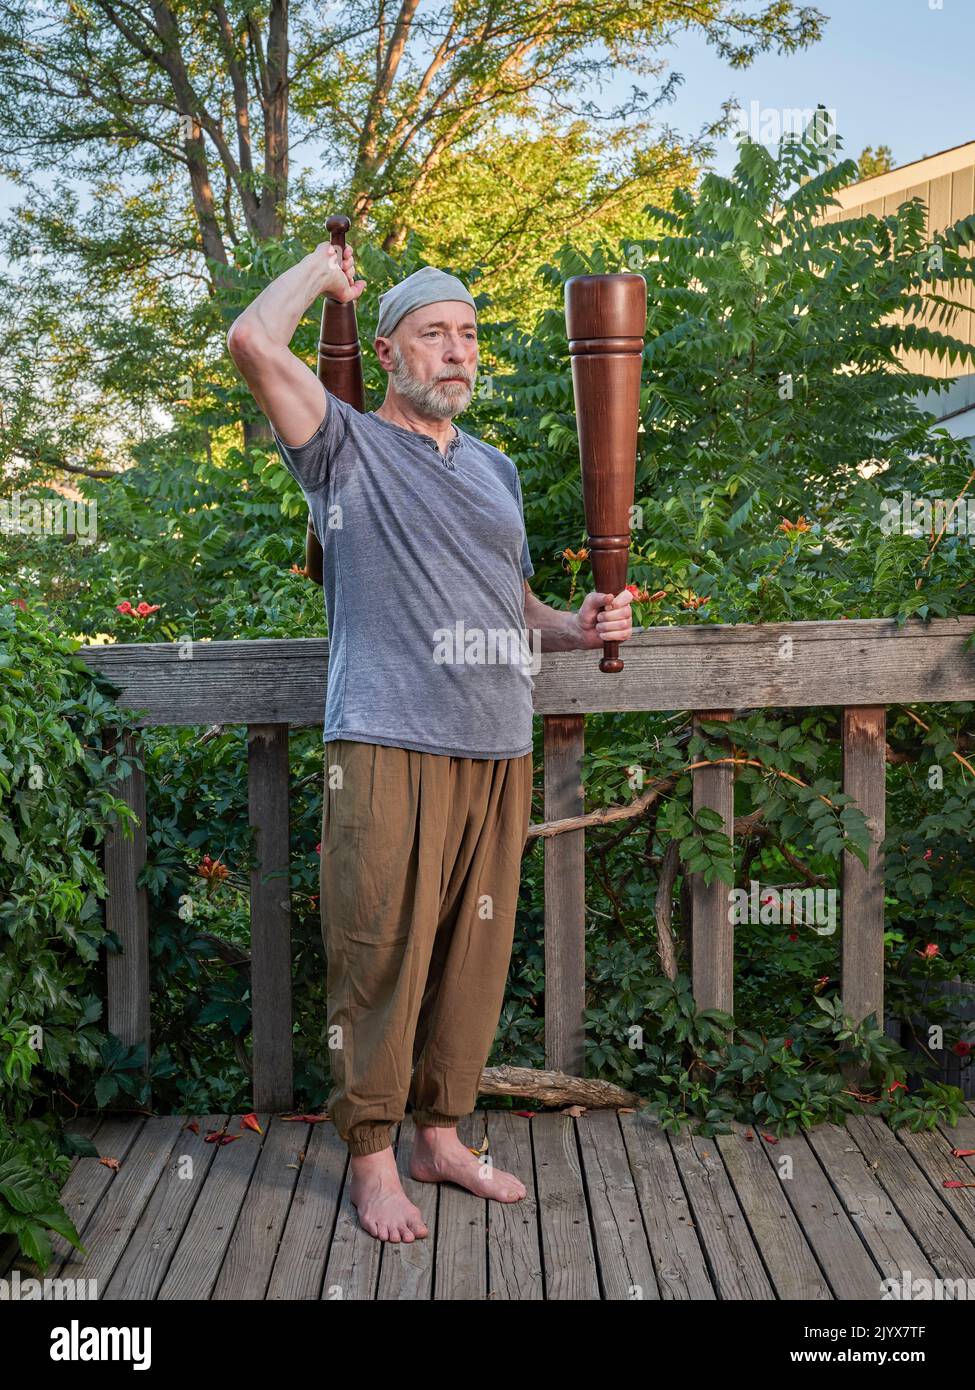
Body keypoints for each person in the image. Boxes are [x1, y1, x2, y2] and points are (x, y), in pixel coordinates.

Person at [226, 240, 634, 1243]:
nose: (456, 353)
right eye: (433, 336)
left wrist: (573, 626)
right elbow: (247, 339)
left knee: (473, 957)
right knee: (377, 950)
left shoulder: (495, 471)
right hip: (386, 740)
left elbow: (515, 602)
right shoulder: (343, 447)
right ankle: (372, 1155)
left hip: (497, 743)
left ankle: (440, 1135)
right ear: (392, 352)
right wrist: (322, 273)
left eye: (468, 336)